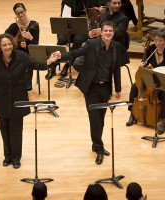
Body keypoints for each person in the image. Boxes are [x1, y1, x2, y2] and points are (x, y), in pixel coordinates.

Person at [54, 20, 122, 164]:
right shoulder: (92, 44)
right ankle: (99, 148)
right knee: (94, 119)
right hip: (91, 87)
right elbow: (76, 53)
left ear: (113, 33)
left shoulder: (116, 47)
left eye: (110, 31)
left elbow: (116, 69)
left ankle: (95, 144)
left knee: (101, 119)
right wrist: (62, 56)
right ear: (101, 32)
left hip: (106, 87)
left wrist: (118, 89)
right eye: (105, 31)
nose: (108, 33)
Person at [0, 33, 58, 168]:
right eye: (4, 45)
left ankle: (16, 157)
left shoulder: (21, 56)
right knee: (4, 129)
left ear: (12, 44)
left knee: (16, 130)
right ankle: (7, 157)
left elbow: (36, 64)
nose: (7, 47)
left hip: (18, 99)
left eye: (9, 44)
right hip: (1, 100)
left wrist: (49, 61)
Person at [126, 28, 165, 135]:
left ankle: (164, 120)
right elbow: (145, 62)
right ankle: (132, 113)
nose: (158, 43)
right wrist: (142, 64)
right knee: (134, 87)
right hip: (153, 78)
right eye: (156, 40)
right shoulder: (151, 48)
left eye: (160, 41)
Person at [45, 0, 106, 80]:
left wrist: (102, 8)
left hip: (85, 25)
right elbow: (64, 15)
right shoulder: (67, 1)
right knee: (62, 40)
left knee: (78, 40)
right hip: (69, 24)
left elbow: (103, 5)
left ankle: (67, 65)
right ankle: (53, 67)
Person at [74, 0, 129, 72]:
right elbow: (94, 29)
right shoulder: (102, 16)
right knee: (78, 64)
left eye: (119, 3)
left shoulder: (123, 19)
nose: (117, 5)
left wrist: (104, 31)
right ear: (108, 3)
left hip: (114, 51)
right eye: (115, 3)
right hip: (99, 49)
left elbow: (119, 32)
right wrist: (91, 33)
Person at [5, 3, 39, 91]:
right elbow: (5, 38)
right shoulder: (14, 26)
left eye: (22, 12)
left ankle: (28, 82)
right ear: (15, 14)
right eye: (18, 13)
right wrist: (18, 44)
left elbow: (36, 44)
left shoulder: (34, 25)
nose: (20, 15)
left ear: (25, 10)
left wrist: (30, 38)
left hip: (30, 51)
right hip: (17, 50)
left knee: (28, 58)